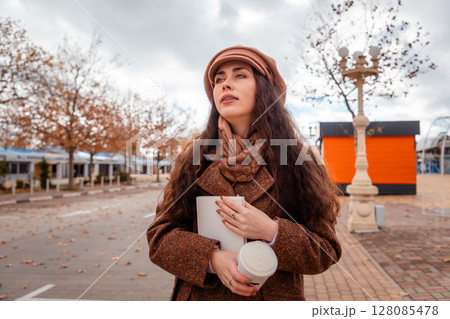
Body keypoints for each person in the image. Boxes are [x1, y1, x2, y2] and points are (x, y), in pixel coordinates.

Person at [146, 45, 342, 301]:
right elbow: (159, 237)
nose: (226, 85)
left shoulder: (298, 159)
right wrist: (211, 259)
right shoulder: (193, 158)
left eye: (240, 75)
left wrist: (272, 232)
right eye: (219, 80)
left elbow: (325, 251)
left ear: (265, 90)